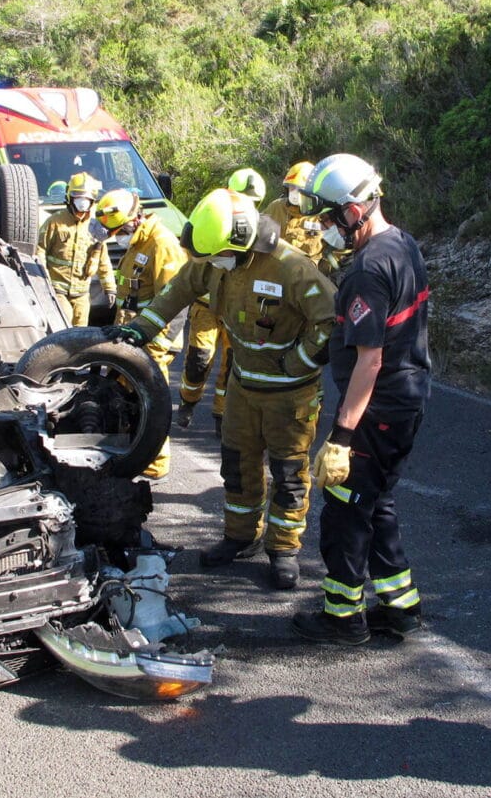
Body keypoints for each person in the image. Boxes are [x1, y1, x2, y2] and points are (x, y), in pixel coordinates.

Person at [108, 188, 336, 589]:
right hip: (243, 389)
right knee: (237, 466)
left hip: (290, 396)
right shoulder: (217, 261)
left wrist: (297, 363)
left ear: (242, 241)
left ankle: (283, 550)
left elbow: (330, 321)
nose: (213, 266)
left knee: (288, 476)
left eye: (217, 257)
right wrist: (140, 329)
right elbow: (177, 290)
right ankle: (239, 536)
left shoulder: (292, 269)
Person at [285, 154, 433, 645]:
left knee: (345, 508)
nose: (323, 226)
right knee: (377, 501)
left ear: (353, 210)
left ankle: (342, 617)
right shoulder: (402, 245)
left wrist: (343, 436)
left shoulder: (368, 269)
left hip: (376, 410)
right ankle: (401, 606)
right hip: (406, 398)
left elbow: (369, 360)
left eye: (328, 216)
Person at [94, 188, 185, 479]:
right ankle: (136, 453)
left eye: (119, 229)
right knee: (131, 400)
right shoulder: (137, 242)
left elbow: (175, 301)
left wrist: (156, 349)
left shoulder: (161, 244)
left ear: (135, 219)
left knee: (151, 403)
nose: (117, 235)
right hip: (133, 341)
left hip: (152, 344)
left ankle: (156, 463)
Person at [176, 168, 265, 434]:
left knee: (231, 365)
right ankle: (187, 402)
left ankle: (221, 415)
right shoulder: (210, 216)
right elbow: (190, 266)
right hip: (204, 308)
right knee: (199, 360)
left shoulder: (252, 228)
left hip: (234, 310)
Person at [36, 172, 116, 327]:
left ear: (93, 201)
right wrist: (42, 282)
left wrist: (110, 288)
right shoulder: (55, 222)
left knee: (80, 331)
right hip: (58, 290)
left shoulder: (95, 226)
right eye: (78, 198)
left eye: (86, 199)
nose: (82, 203)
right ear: (70, 198)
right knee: (64, 325)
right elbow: (39, 251)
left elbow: (103, 260)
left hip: (82, 293)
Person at [263, 162, 325, 268]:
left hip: (309, 274)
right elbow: (261, 237)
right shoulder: (276, 207)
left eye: (300, 189)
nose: (295, 193)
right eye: (292, 187)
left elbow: (336, 252)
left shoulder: (322, 215)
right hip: (275, 270)